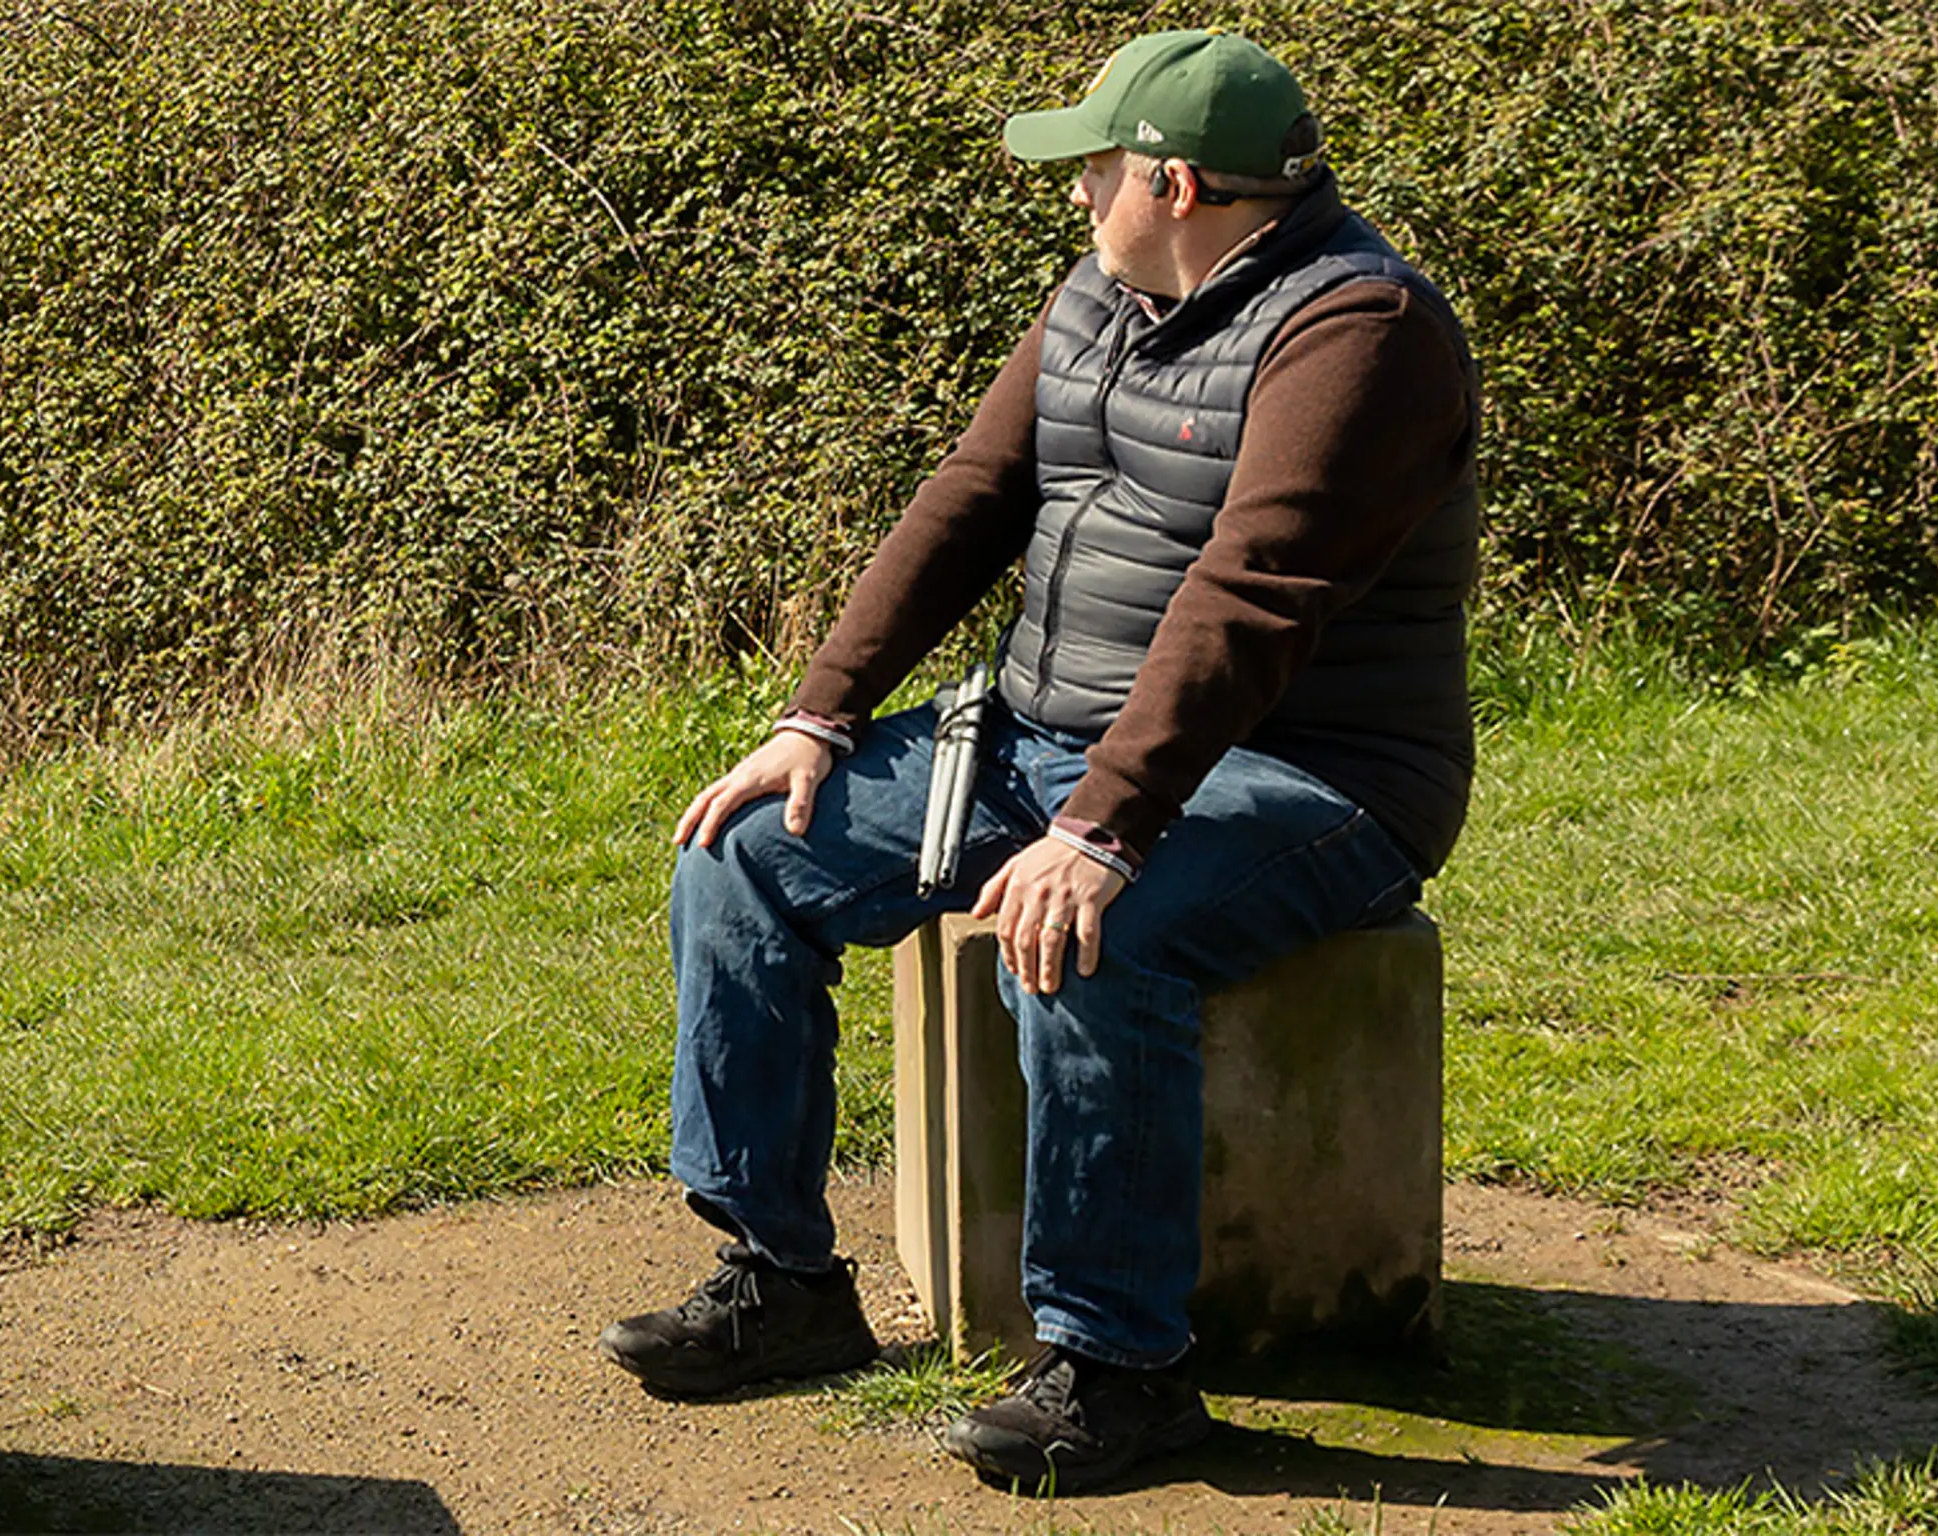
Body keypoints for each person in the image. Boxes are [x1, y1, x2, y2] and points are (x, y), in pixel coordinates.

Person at [596, 28, 1481, 1495]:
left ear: (1173, 181)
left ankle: (1121, 1367)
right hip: (1042, 743)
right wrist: (818, 715)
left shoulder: (1363, 335)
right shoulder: (1104, 295)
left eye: (1091, 174)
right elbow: (970, 497)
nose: (1073, 200)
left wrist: (1106, 828)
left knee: (1088, 931)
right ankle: (784, 1279)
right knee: (744, 853)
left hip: (1312, 780)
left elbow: (1255, 591)